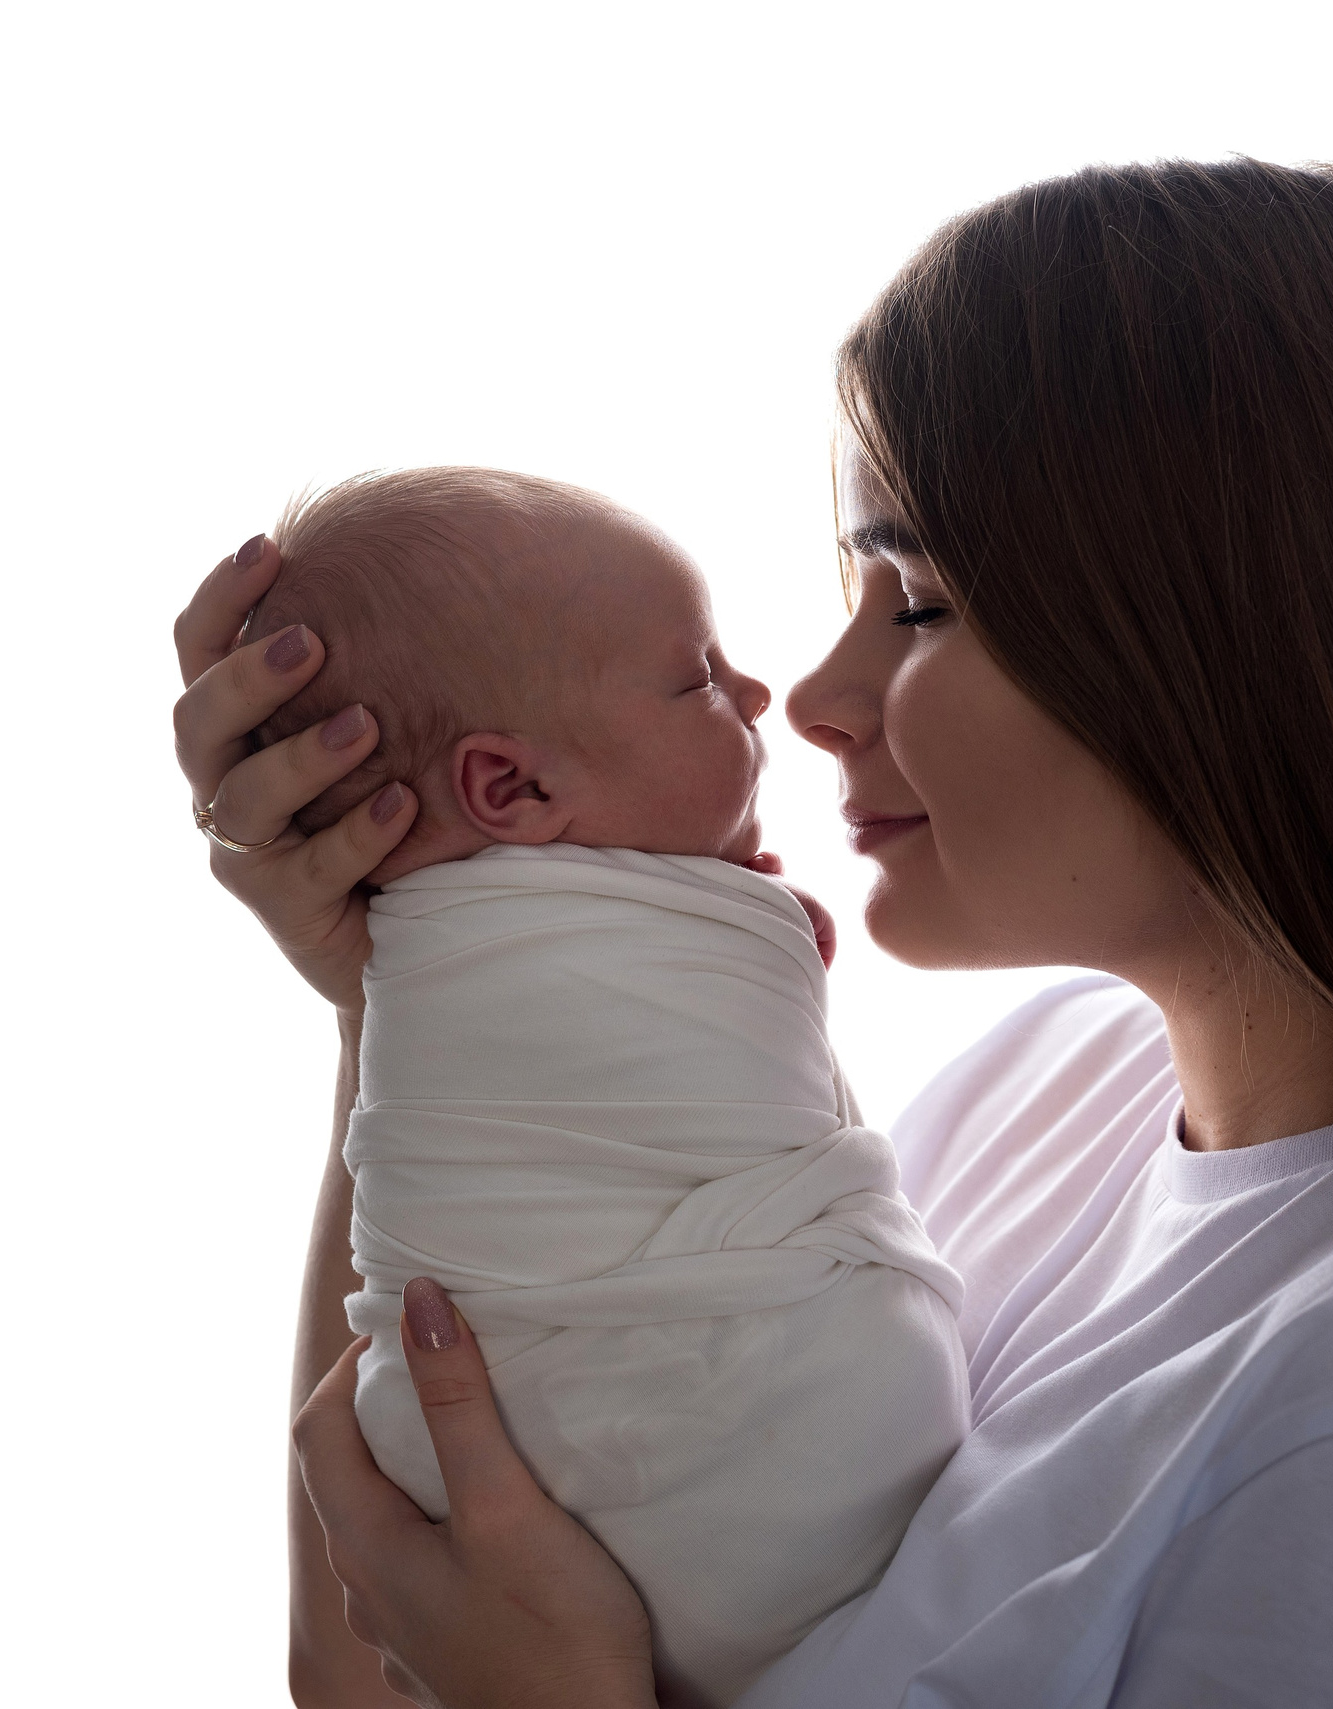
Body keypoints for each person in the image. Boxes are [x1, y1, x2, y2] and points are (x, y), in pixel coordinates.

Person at [170, 157, 1333, 1707]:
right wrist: (412, 978)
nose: (813, 701)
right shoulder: (1053, 1104)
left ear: (1228, 639)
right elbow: (379, 1641)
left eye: (925, 601)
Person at [234, 464, 967, 1706]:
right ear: (509, 789)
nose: (789, 698)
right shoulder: (1018, 1095)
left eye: (924, 606)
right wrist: (378, 996)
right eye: (699, 679)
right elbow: (355, 1681)